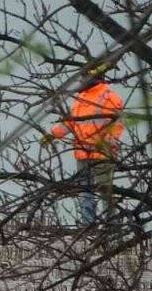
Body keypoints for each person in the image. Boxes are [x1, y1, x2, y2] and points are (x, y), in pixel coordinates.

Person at [41, 62, 124, 225]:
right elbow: (71, 122)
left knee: (105, 192)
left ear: (95, 77)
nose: (81, 80)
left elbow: (117, 125)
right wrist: (52, 135)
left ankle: (112, 227)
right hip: (82, 153)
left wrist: (107, 143)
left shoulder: (110, 97)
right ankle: (88, 227)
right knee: (85, 193)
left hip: (102, 153)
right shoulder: (81, 97)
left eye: (84, 76)